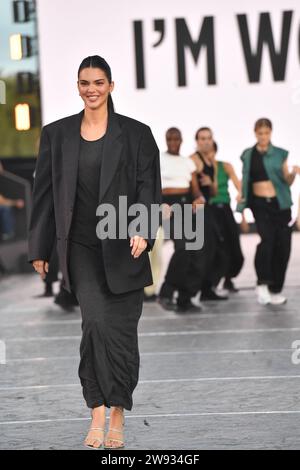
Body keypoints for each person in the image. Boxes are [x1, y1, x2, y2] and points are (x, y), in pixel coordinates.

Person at [27, 55, 162, 449]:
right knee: (95, 324)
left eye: (99, 82)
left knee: (122, 333)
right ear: (77, 86)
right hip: (81, 249)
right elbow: (44, 195)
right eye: (85, 82)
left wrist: (142, 228)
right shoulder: (57, 135)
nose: (91, 89)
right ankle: (97, 410)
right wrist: (40, 246)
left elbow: (147, 187)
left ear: (111, 86)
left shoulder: (137, 135)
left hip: (125, 246)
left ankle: (118, 410)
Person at [237, 118, 297, 305]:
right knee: (267, 241)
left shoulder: (280, 154)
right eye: (260, 133)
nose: (263, 136)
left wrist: (293, 173)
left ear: (271, 133)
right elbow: (245, 180)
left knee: (283, 246)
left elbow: (286, 181)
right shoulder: (248, 154)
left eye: (266, 133)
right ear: (255, 133)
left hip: (281, 205)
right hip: (259, 204)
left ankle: (275, 289)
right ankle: (262, 283)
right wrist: (242, 211)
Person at [158, 127, 205, 313]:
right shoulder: (158, 159)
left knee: (194, 251)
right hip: (167, 206)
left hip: (187, 204)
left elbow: (195, 188)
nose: (173, 142)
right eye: (169, 138)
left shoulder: (188, 163)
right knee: (183, 247)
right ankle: (166, 293)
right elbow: (152, 185)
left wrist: (199, 198)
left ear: (181, 140)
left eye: (176, 139)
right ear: (166, 139)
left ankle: (185, 298)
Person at [190, 127, 228, 301]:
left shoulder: (210, 162)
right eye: (202, 138)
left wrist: (210, 182)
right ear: (197, 141)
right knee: (202, 251)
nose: (206, 141)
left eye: (208, 138)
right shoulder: (193, 160)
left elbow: (213, 192)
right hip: (197, 210)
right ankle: (190, 291)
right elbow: (194, 190)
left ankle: (207, 288)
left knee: (219, 250)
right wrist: (198, 192)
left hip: (209, 208)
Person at [209, 141, 244, 292]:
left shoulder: (226, 166)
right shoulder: (200, 168)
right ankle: (211, 283)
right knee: (217, 247)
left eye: (210, 151)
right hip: (209, 210)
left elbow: (239, 186)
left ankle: (228, 279)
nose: (208, 154)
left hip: (225, 209)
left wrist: (240, 195)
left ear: (215, 151)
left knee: (234, 245)